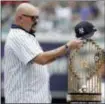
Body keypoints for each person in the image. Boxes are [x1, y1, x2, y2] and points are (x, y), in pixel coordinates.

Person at [4, 3, 83, 103]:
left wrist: (66, 50)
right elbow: (42, 59)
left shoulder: (26, 35)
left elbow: (45, 61)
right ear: (20, 18)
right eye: (33, 18)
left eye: (37, 18)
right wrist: (67, 47)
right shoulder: (18, 36)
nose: (36, 21)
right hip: (23, 99)